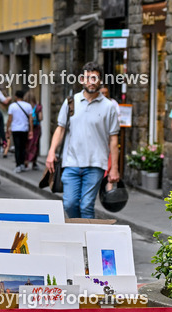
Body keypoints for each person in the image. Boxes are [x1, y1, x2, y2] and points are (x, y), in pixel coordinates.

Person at [45, 62, 120, 220]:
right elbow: (60, 129)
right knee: (70, 204)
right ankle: (79, 232)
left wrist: (114, 168)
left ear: (100, 81)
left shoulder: (108, 107)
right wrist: (51, 152)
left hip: (96, 164)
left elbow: (114, 139)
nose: (91, 81)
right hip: (71, 162)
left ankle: (86, 240)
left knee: (86, 205)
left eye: (95, 78)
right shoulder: (71, 102)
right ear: (81, 80)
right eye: (88, 78)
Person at [6, 90, 34, 173]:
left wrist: (7, 128)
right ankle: (22, 164)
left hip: (15, 129)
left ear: (16, 97)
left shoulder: (12, 106)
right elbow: (30, 119)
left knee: (17, 147)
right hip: (24, 129)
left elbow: (9, 119)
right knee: (23, 147)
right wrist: (31, 130)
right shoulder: (28, 106)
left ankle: (18, 165)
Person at [24, 91, 43, 170]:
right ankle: (34, 162)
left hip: (26, 128)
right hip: (36, 129)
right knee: (35, 144)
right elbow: (41, 118)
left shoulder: (24, 106)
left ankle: (25, 161)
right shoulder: (38, 107)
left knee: (26, 145)